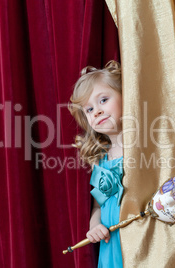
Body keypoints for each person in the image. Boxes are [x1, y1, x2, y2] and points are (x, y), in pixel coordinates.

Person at [69, 60, 124, 267]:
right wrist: (94, 226)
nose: (97, 111)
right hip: (112, 243)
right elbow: (98, 205)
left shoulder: (142, 151)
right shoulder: (101, 160)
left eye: (104, 100)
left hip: (139, 239)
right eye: (89, 109)